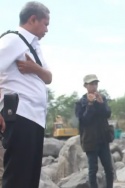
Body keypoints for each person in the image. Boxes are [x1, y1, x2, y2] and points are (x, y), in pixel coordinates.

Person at [0, 1, 52, 187]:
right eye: (45, 23)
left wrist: (34, 68)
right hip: (20, 114)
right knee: (17, 177)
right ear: (32, 19)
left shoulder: (33, 45)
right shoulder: (13, 40)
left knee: (30, 177)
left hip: (35, 118)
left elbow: (48, 77)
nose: (47, 29)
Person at [75, 74, 114, 188]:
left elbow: (107, 114)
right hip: (90, 141)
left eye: (96, 84)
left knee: (109, 168)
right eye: (91, 84)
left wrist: (100, 103)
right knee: (93, 170)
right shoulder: (80, 103)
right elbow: (84, 120)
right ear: (85, 86)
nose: (94, 86)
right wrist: (90, 104)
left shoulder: (102, 98)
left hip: (103, 139)